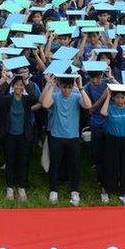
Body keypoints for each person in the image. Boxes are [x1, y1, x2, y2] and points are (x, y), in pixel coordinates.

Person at [40, 74, 92, 206]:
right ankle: (53, 191)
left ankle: (75, 191)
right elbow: (45, 104)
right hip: (56, 136)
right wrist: (52, 85)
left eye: (69, 87)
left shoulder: (76, 96)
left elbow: (88, 105)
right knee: (55, 165)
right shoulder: (56, 96)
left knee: (75, 165)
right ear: (60, 86)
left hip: (73, 137)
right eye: (64, 87)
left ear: (72, 87)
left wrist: (80, 88)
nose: (67, 90)